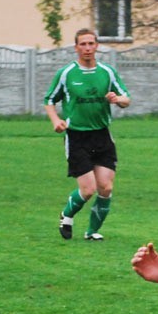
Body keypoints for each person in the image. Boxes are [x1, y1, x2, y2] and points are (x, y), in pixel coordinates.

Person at [44, 28, 131, 241]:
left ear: (97, 46)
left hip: (102, 135)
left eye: (91, 43)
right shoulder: (66, 74)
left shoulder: (107, 72)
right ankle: (67, 214)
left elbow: (126, 98)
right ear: (76, 48)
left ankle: (92, 232)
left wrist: (117, 99)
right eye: (83, 44)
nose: (87, 48)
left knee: (106, 187)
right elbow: (49, 100)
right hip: (76, 137)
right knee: (88, 189)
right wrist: (56, 121)